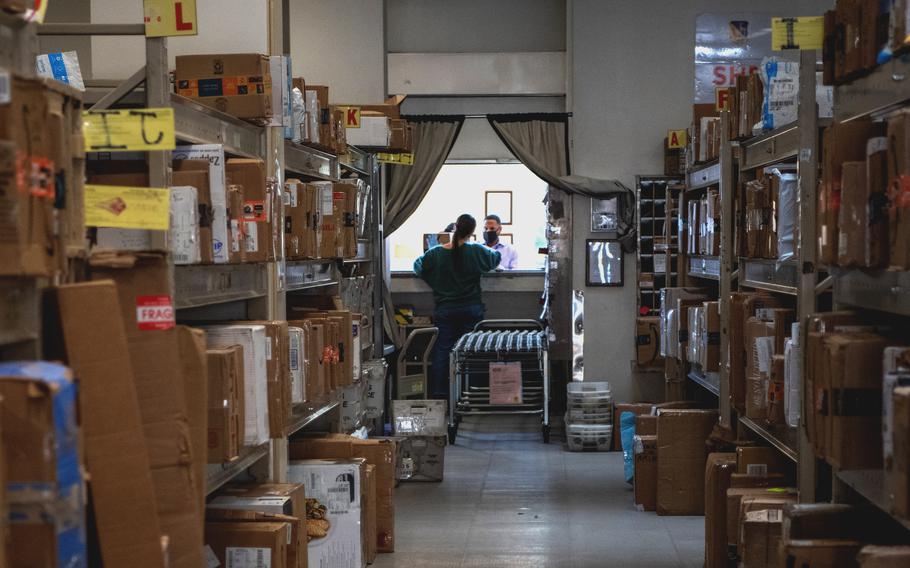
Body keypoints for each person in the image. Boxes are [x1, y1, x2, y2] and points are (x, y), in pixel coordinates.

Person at [414, 213, 501, 399]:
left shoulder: (436, 253)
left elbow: (418, 266)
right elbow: (496, 258)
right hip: (471, 309)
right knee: (471, 351)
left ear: (455, 227)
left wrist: (436, 280)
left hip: (445, 309)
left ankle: (441, 394)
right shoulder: (476, 250)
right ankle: (471, 394)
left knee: (443, 351)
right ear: (472, 231)